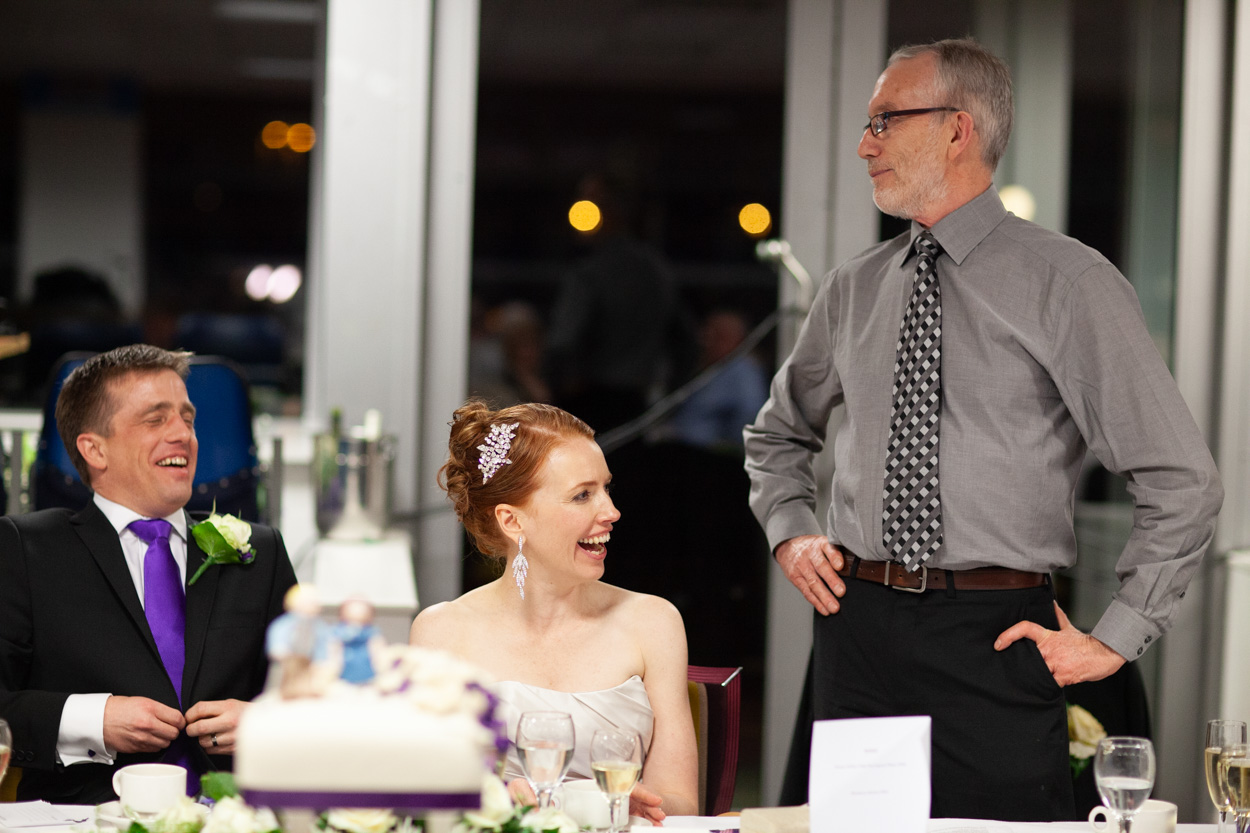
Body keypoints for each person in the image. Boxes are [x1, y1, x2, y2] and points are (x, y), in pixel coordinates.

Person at [743, 38, 1222, 822]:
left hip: (997, 639)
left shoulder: (1071, 283)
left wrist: (1115, 636)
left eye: (885, 120)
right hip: (856, 632)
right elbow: (777, 435)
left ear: (958, 129)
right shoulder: (853, 287)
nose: (865, 145)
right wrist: (792, 532)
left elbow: (1182, 480)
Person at [0, 344, 297, 804]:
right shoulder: (25, 549)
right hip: (88, 816)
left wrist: (267, 722)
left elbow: (319, 698)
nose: (183, 434)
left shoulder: (261, 551)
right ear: (94, 449)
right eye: (155, 420)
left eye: (187, 418)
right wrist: (93, 719)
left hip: (231, 816)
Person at [409, 400, 697, 822]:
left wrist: (641, 805)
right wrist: (491, 801)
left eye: (606, 488)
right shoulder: (441, 632)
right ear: (512, 521)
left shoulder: (653, 622)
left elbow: (683, 804)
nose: (611, 512)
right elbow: (424, 796)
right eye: (582, 495)